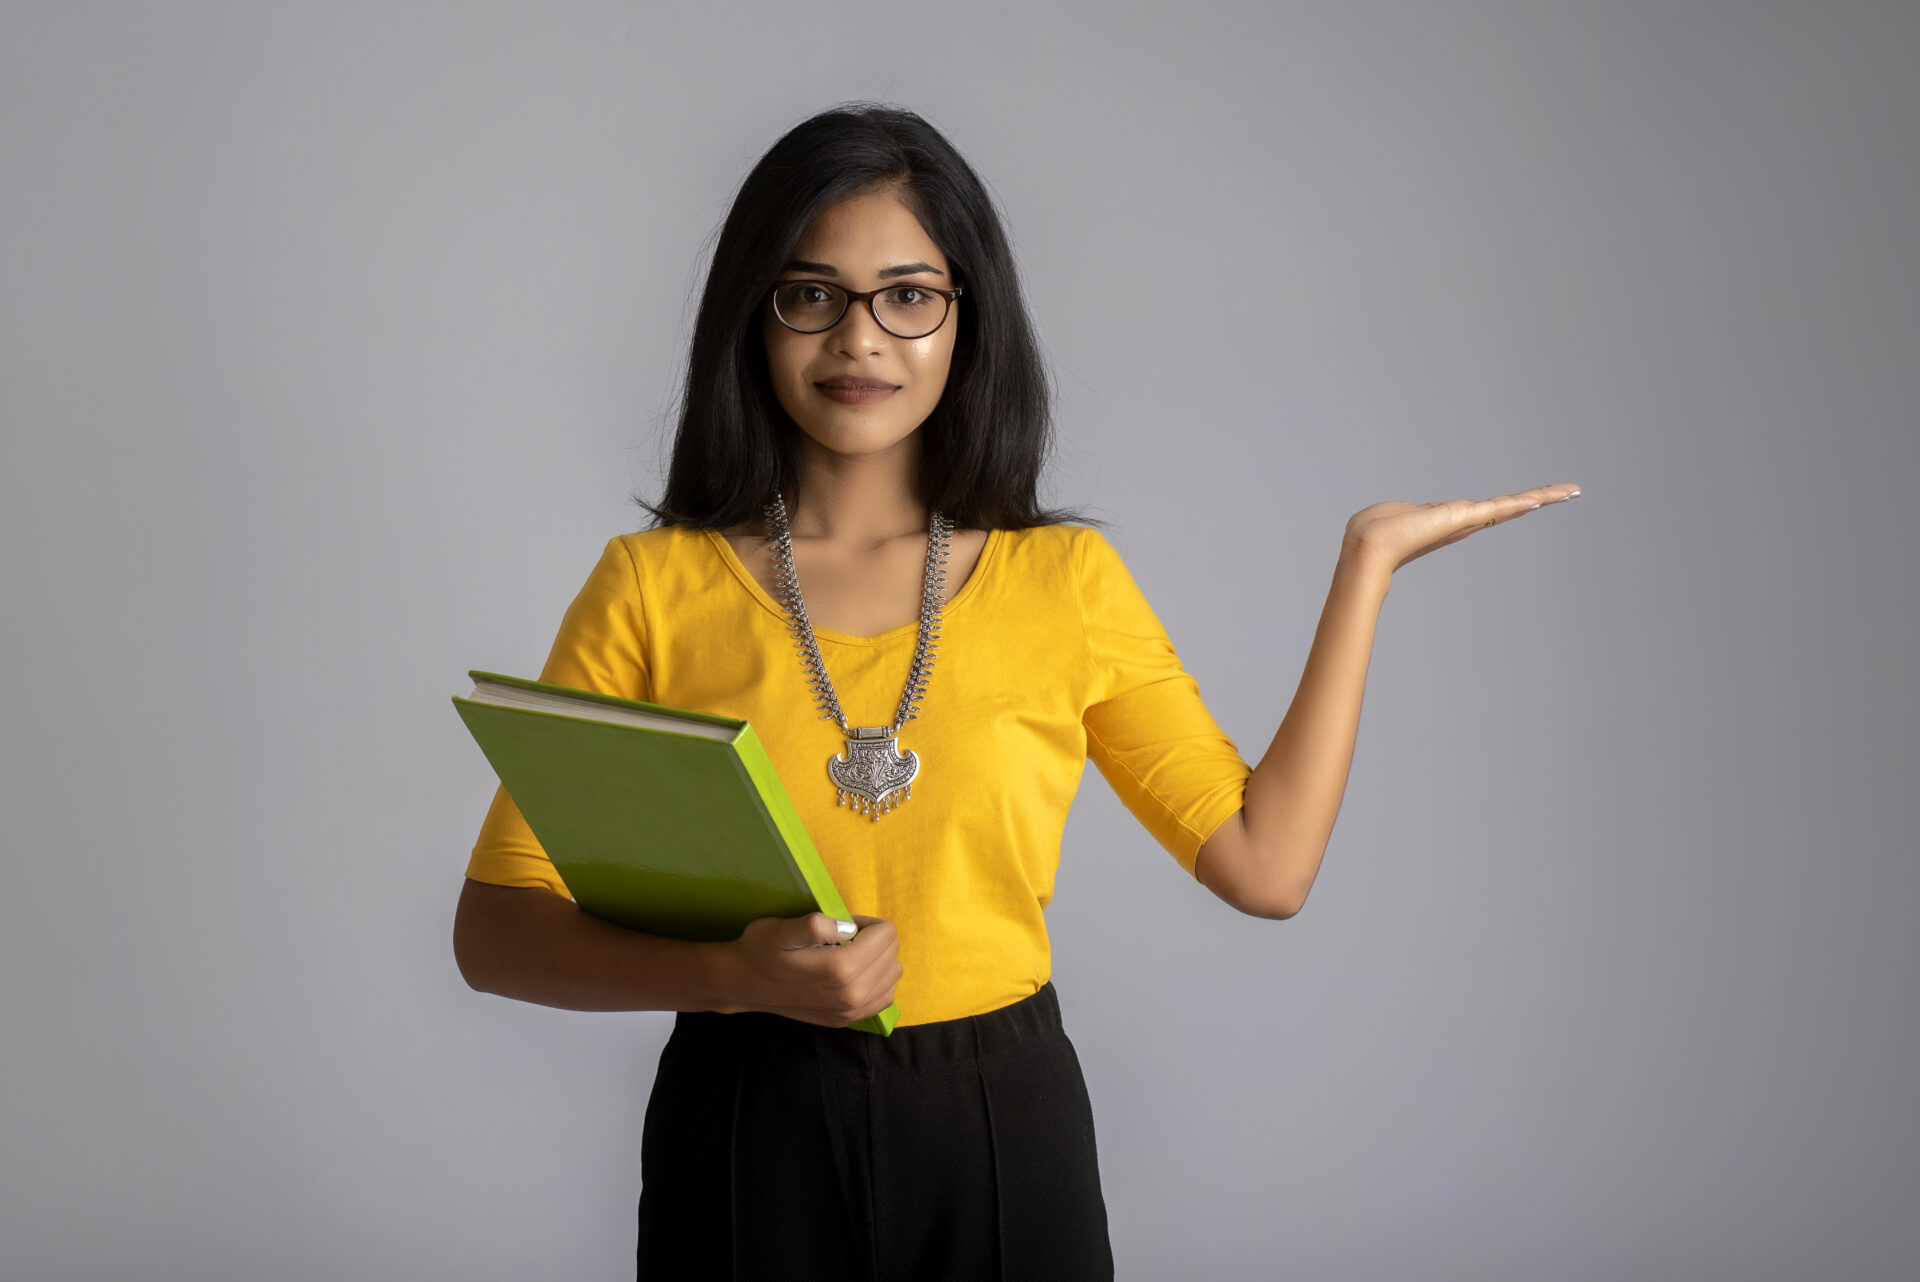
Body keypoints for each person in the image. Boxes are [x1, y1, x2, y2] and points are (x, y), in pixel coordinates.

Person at [451, 102, 1580, 1281]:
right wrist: (732, 976)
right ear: (754, 314)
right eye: (811, 294)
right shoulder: (651, 587)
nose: (861, 339)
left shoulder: (1065, 584)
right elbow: (496, 932)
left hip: (1000, 1118)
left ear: (965, 318)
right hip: (745, 1118)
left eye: (908, 295)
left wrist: (1366, 568)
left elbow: (1266, 862)